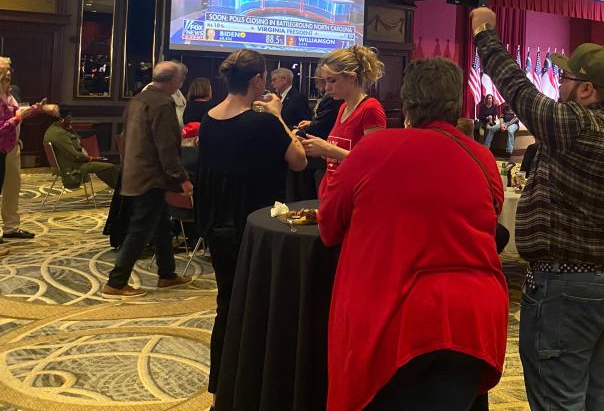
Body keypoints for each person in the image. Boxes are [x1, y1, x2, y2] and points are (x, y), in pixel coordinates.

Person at [470, 6, 604, 411]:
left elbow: (518, 89)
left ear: (586, 90)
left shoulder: (576, 125)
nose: (557, 83)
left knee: (558, 396)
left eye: (565, 77)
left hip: (568, 283)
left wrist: (485, 34)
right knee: (597, 388)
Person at [319, 57, 509, 410]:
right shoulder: (481, 157)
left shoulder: (371, 150)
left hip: (395, 317)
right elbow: (492, 223)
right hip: (473, 318)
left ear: (407, 104)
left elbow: (329, 228)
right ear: (457, 104)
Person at [195, 49, 307, 402]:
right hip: (255, 227)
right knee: (260, 306)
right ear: (258, 80)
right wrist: (278, 116)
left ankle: (220, 390)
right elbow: (300, 161)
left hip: (217, 225)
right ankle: (252, 388)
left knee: (226, 305)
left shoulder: (209, 118)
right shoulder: (262, 121)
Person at [102, 61, 194, 299]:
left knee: (161, 224)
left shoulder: (137, 99)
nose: (180, 85)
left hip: (135, 171)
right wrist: (182, 178)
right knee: (140, 229)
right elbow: (166, 146)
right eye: (180, 81)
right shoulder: (162, 103)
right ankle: (116, 281)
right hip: (151, 176)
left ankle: (167, 274)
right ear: (174, 81)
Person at [300, 46, 386, 182]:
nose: (327, 88)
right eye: (325, 81)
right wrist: (318, 147)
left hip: (353, 191)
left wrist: (327, 149)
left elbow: (373, 161)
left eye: (332, 80)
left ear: (351, 78)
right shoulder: (343, 107)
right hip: (335, 188)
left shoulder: (370, 109)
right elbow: (338, 154)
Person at [0, 57, 58, 247]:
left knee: (12, 189)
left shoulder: (11, 93)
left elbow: (20, 111)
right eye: (6, 76)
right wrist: (17, 118)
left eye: (10, 74)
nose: (9, 77)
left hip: (12, 147)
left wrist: (40, 108)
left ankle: (11, 227)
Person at [43, 106, 120, 190]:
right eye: (70, 116)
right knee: (110, 167)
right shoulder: (60, 134)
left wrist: (71, 130)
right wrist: (91, 158)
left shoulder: (54, 130)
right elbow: (75, 155)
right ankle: (123, 192)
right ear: (62, 118)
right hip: (73, 167)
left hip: (68, 164)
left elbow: (78, 141)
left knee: (102, 166)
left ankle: (120, 190)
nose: (71, 119)